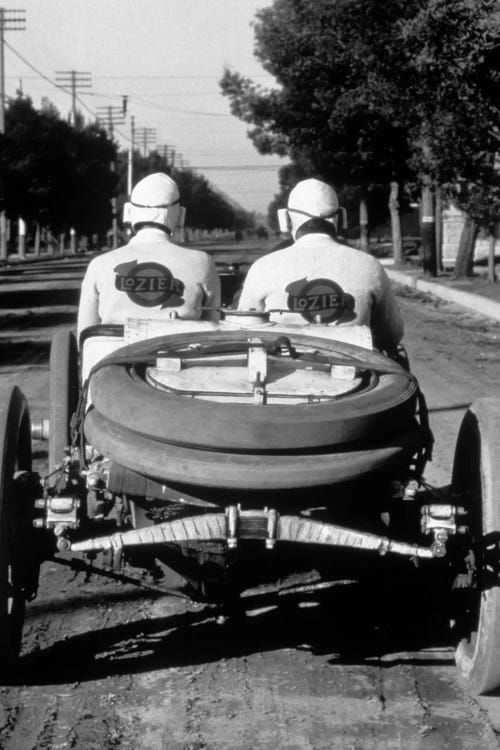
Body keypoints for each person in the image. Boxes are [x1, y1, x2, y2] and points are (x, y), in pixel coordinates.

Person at [238, 178, 403, 351]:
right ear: (341, 217)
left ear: (285, 219)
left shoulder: (263, 267)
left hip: (282, 373)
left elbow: (245, 330)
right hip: (357, 373)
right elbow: (392, 335)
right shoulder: (369, 265)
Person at [77, 172, 220, 339]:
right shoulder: (202, 262)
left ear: (128, 212)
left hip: (108, 358)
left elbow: (85, 335)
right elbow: (213, 325)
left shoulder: (100, 264)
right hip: (181, 358)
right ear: (180, 215)